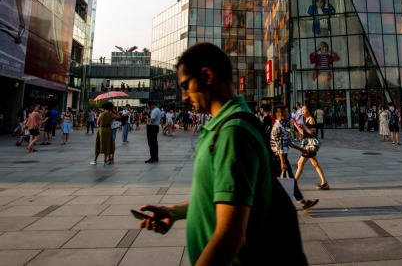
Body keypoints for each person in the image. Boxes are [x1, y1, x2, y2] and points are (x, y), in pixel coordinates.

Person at [136, 43, 279, 265]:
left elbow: (230, 237)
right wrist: (175, 211)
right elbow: (221, 199)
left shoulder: (233, 132)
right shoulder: (222, 126)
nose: (184, 97)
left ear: (206, 75)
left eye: (186, 86)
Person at [271, 105, 319, 210]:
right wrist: (283, 162)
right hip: (279, 158)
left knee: (288, 181)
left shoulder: (281, 126)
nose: (288, 114)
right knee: (287, 181)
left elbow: (288, 142)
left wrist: (301, 149)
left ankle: (302, 202)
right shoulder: (278, 127)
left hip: (279, 158)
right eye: (286, 112)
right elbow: (280, 146)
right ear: (280, 114)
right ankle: (301, 202)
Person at [294, 105, 330, 190]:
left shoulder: (311, 119)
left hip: (309, 146)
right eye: (302, 110)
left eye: (304, 110)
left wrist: (304, 126)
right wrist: (296, 126)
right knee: (315, 164)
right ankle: (324, 182)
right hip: (308, 144)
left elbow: (313, 133)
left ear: (309, 111)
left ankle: (294, 183)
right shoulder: (306, 119)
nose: (303, 112)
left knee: (300, 163)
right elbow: (304, 133)